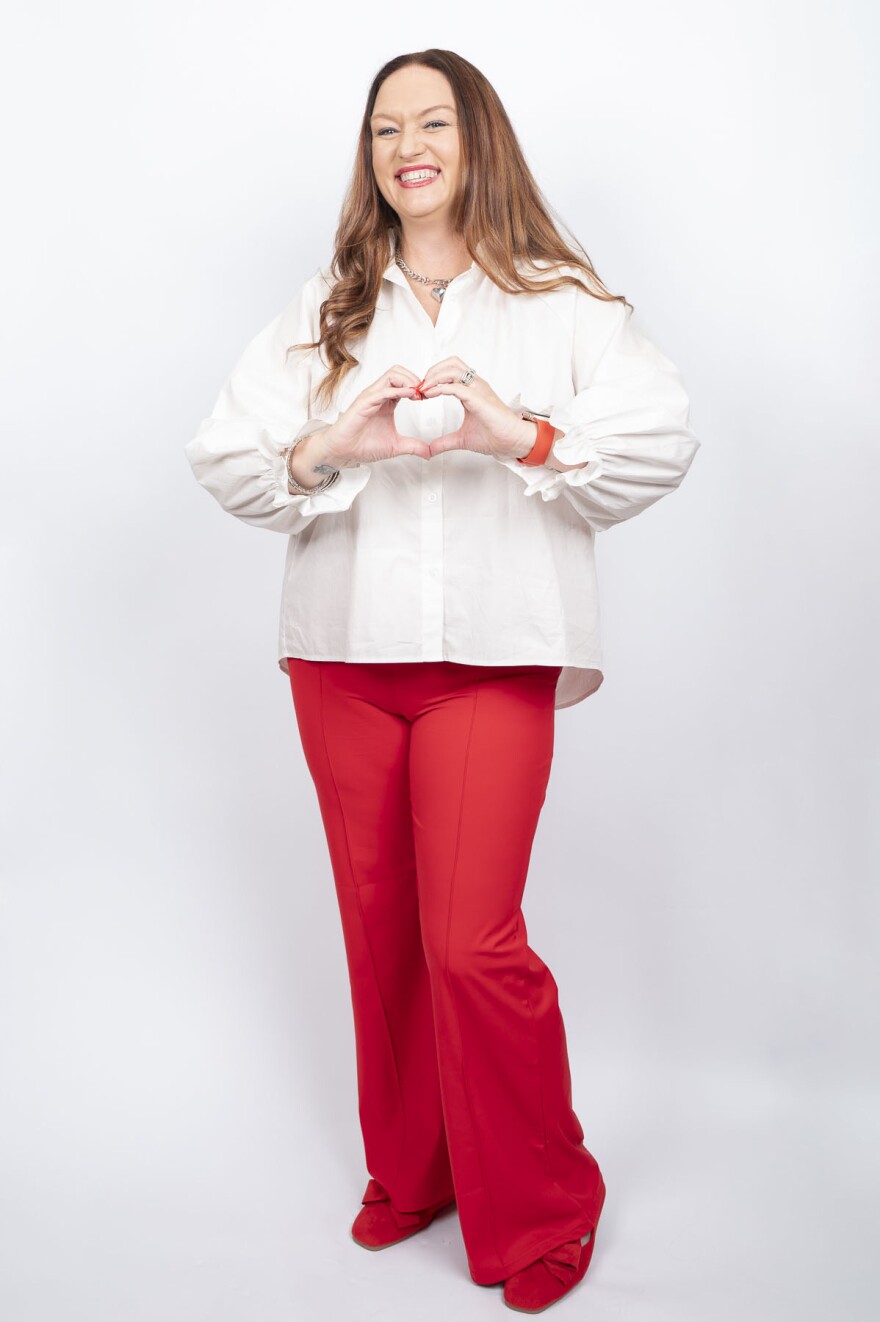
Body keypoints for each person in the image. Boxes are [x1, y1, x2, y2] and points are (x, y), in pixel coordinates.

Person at [185, 47, 700, 1314]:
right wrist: (333, 442)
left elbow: (660, 440)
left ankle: (545, 1202)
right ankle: (411, 1169)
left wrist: (516, 430)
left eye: (431, 122)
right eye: (384, 129)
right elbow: (226, 455)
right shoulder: (328, 308)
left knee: (469, 941)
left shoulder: (561, 303)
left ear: (479, 140)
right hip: (340, 654)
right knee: (381, 935)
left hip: (492, 654)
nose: (406, 147)